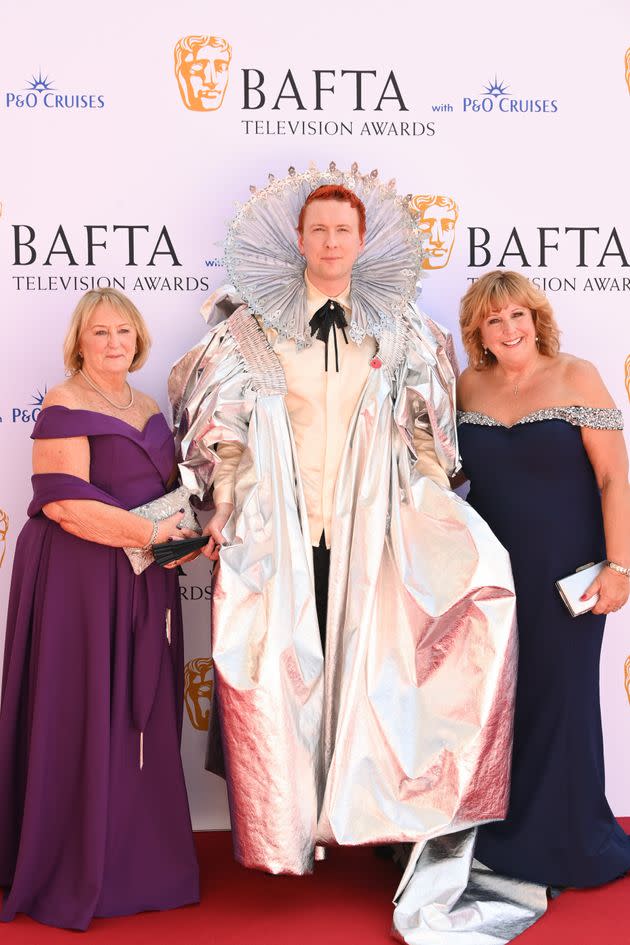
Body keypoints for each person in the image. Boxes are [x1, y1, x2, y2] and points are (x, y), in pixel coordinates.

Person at [169, 163, 521, 933]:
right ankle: (292, 825)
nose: (330, 240)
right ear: (300, 239)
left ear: (363, 242)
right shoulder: (248, 327)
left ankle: (388, 823)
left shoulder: (403, 328)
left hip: (376, 532)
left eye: (343, 230)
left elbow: (429, 437)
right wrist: (223, 503)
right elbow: (222, 430)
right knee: (288, 674)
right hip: (285, 533)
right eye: (319, 228)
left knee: (382, 674)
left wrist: (435, 509)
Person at [0, 288, 199, 929]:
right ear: (78, 343)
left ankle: (140, 861)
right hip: (77, 581)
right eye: (100, 333)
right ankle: (71, 862)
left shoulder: (147, 404)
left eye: (124, 332)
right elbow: (62, 504)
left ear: (139, 339)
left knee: (137, 712)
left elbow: (170, 494)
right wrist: (152, 538)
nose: (115, 343)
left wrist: (194, 531)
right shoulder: (64, 402)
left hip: (143, 576)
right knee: (81, 707)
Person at [457, 269, 630, 890]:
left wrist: (620, 566)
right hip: (495, 575)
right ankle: (509, 832)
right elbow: (448, 478)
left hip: (569, 572)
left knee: (565, 700)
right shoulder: (467, 386)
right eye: (494, 319)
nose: (508, 328)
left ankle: (573, 839)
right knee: (510, 704)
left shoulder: (576, 375)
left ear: (536, 319)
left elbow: (615, 478)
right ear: (478, 328)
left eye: (518, 316)